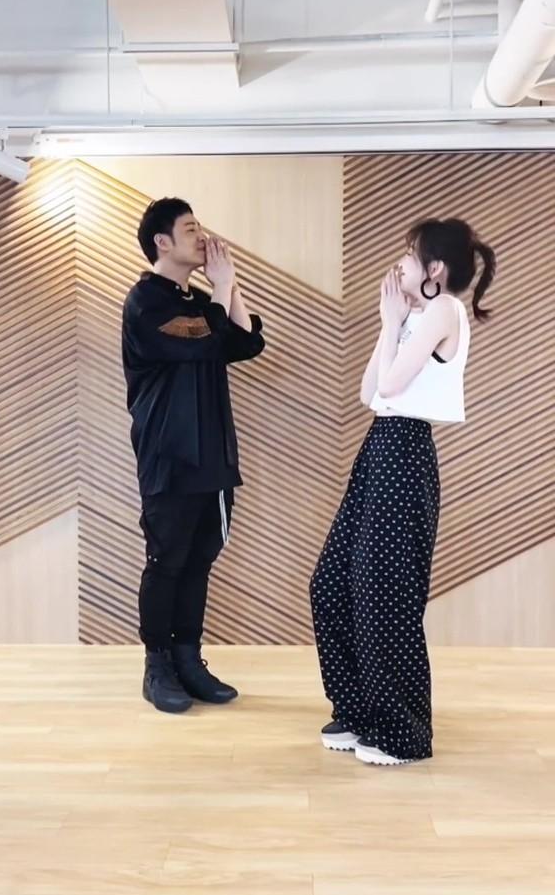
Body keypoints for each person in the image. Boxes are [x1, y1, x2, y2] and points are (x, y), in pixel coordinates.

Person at [310, 217, 496, 766]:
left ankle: (403, 732)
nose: (400, 264)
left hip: (405, 453)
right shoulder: (415, 316)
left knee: (385, 592)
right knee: (332, 582)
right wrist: (389, 323)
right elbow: (371, 392)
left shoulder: (444, 311)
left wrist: (393, 321)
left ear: (435, 269)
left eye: (409, 257)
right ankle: (358, 710)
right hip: (380, 448)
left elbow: (391, 385)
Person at [122, 198, 265, 714]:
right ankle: (157, 666)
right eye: (189, 229)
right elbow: (201, 338)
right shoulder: (145, 302)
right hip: (169, 456)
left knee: (200, 559)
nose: (201, 236)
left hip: (213, 455)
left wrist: (229, 284)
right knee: (167, 560)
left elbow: (245, 343)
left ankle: (188, 660)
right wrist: (220, 291)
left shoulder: (202, 302)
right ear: (162, 242)